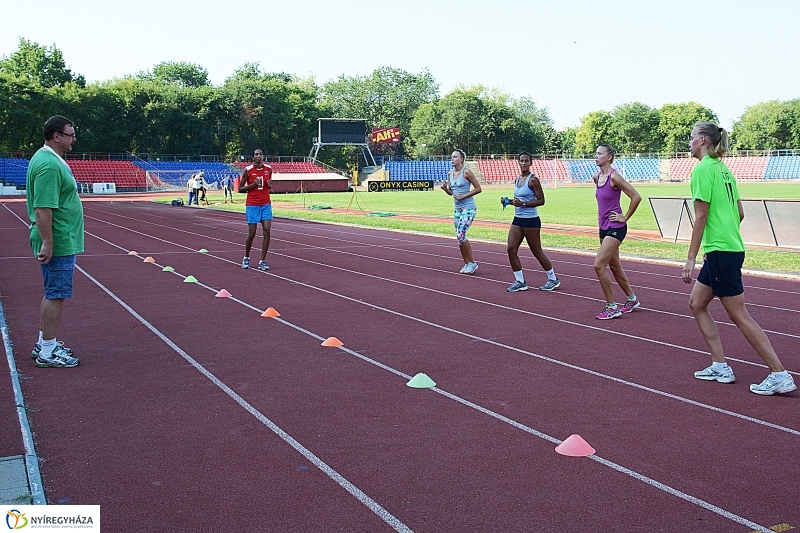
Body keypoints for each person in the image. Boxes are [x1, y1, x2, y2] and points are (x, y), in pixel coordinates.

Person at [683, 122, 795, 395]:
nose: (689, 143)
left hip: (721, 251)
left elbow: (700, 216)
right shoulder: (724, 170)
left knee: (740, 315)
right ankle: (720, 365)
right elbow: (740, 213)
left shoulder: (702, 170)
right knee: (697, 303)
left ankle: (779, 373)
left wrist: (690, 258)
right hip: (726, 249)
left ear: (703, 141)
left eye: (691, 138)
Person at [26, 115, 83, 368]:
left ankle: (44, 342)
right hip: (58, 238)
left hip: (60, 236)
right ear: (56, 135)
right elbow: (43, 209)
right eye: (70, 135)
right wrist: (48, 243)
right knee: (56, 294)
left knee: (53, 292)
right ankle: (48, 350)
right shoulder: (49, 164)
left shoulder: (50, 160)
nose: (74, 139)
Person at [592, 144, 642, 319]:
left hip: (616, 227)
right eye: (596, 153)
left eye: (599, 154)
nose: (595, 156)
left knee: (598, 265)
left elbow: (636, 197)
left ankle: (612, 306)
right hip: (603, 227)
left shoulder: (615, 178)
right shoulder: (597, 177)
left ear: (609, 157)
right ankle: (632, 299)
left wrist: (625, 217)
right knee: (614, 266)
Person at [505, 152, 560, 292]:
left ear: (531, 163)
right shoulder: (517, 179)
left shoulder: (533, 180)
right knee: (511, 249)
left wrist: (523, 204)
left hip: (531, 220)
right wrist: (509, 202)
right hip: (518, 220)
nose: (523, 163)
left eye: (526, 161)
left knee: (536, 251)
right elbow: (519, 201)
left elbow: (541, 200)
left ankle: (553, 279)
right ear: (518, 162)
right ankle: (520, 281)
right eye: (521, 160)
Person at [440, 149, 482, 274]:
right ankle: (467, 263)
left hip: (468, 208)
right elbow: (452, 193)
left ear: (461, 159)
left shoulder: (467, 172)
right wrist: (445, 189)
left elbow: (478, 188)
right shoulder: (450, 174)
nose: (452, 159)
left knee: (460, 235)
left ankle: (472, 263)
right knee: (459, 238)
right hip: (457, 209)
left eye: (455, 157)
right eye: (451, 157)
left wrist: (464, 196)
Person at [238, 149, 273, 271]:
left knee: (267, 231)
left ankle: (262, 261)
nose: (259, 156)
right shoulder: (248, 170)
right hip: (252, 204)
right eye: (256, 154)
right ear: (253, 157)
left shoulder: (268, 169)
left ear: (263, 156)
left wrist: (269, 185)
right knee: (252, 233)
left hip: (265, 204)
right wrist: (253, 185)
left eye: (261, 154)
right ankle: (246, 257)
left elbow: (269, 184)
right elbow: (240, 189)